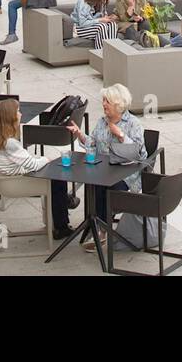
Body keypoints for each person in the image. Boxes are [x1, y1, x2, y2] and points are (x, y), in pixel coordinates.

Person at [65, 83, 147, 251]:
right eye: (103, 100)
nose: (103, 104)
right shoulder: (102, 122)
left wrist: (121, 135)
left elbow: (140, 154)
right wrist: (80, 134)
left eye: (107, 101)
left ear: (118, 103)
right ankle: (97, 224)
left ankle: (102, 230)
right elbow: (93, 143)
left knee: (105, 189)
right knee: (94, 184)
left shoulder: (133, 123)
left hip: (126, 174)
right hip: (104, 170)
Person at [0, 100, 74, 240]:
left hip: (2, 180)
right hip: (15, 183)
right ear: (10, 117)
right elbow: (33, 165)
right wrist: (47, 159)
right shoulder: (10, 143)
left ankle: (65, 203)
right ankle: (62, 226)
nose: (20, 114)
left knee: (53, 177)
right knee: (57, 178)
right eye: (17, 111)